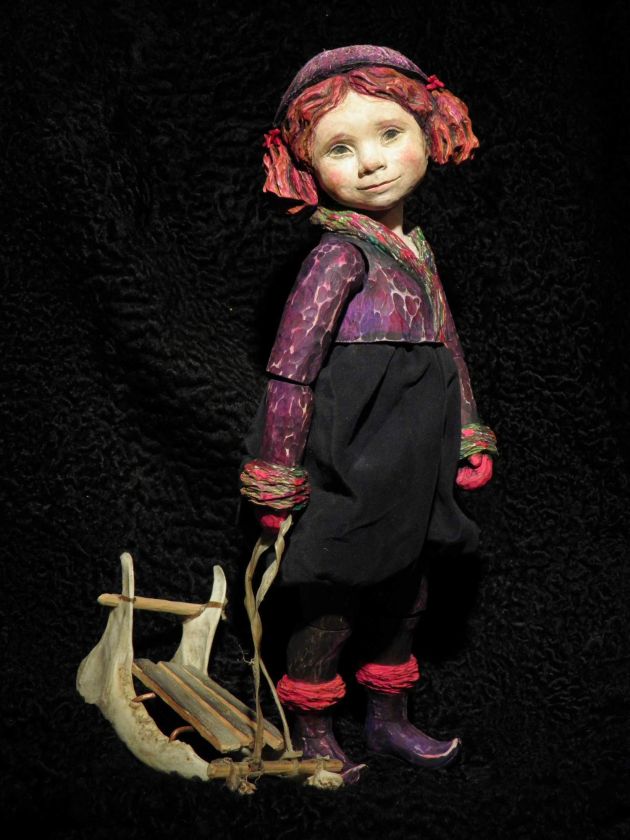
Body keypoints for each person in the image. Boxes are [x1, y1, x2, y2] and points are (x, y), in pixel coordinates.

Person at [240, 45, 497, 783]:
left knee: (409, 589)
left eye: (389, 134)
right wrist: (275, 471)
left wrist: (467, 432)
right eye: (341, 148)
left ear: (428, 133)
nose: (373, 162)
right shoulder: (337, 257)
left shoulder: (416, 252)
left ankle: (388, 719)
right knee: (333, 594)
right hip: (349, 453)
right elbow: (291, 370)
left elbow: (447, 344)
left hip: (416, 452)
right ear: (308, 166)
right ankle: (314, 726)